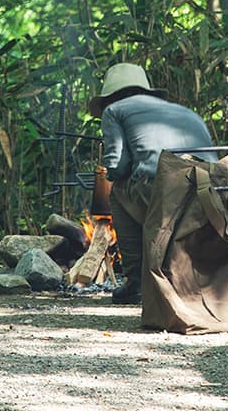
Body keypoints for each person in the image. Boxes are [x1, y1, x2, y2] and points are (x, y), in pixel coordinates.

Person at [89, 62, 215, 305]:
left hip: (166, 190)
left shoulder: (114, 111)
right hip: (210, 191)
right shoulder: (185, 111)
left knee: (116, 193)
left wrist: (113, 173)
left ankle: (136, 281)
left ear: (110, 95)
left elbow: (116, 166)